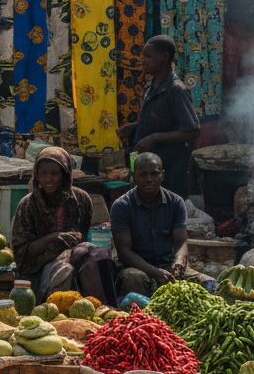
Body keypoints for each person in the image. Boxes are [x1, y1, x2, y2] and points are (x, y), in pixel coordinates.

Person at [11, 146, 118, 304]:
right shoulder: (27, 205)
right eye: (43, 174)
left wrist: (72, 251)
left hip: (74, 257)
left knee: (98, 257)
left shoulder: (81, 200)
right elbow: (21, 253)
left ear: (65, 174)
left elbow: (81, 237)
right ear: (36, 175)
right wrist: (53, 238)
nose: (48, 179)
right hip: (37, 269)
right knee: (65, 271)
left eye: (54, 174)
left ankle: (107, 308)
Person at [112, 153, 210, 296]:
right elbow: (124, 252)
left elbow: (181, 242)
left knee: (207, 283)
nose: (149, 179)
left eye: (154, 174)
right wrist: (155, 272)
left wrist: (179, 261)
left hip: (167, 264)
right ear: (134, 177)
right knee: (134, 279)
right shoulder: (122, 206)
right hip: (136, 267)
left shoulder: (175, 202)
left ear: (162, 175)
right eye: (143, 175)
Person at [120, 35, 200, 197]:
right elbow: (161, 119)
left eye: (148, 56)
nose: (143, 60)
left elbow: (192, 130)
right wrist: (134, 127)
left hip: (170, 169)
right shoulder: (150, 85)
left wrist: (154, 138)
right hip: (149, 167)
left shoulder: (176, 90)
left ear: (164, 58)